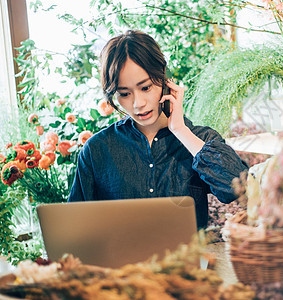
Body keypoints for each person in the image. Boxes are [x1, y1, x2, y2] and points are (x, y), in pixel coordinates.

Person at [68, 30, 248, 228]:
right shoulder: (97, 150)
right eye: (125, 94)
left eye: (145, 88)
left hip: (187, 258)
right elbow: (78, 226)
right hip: (123, 259)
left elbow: (238, 188)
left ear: (163, 78)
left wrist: (180, 131)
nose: (138, 104)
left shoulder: (200, 140)